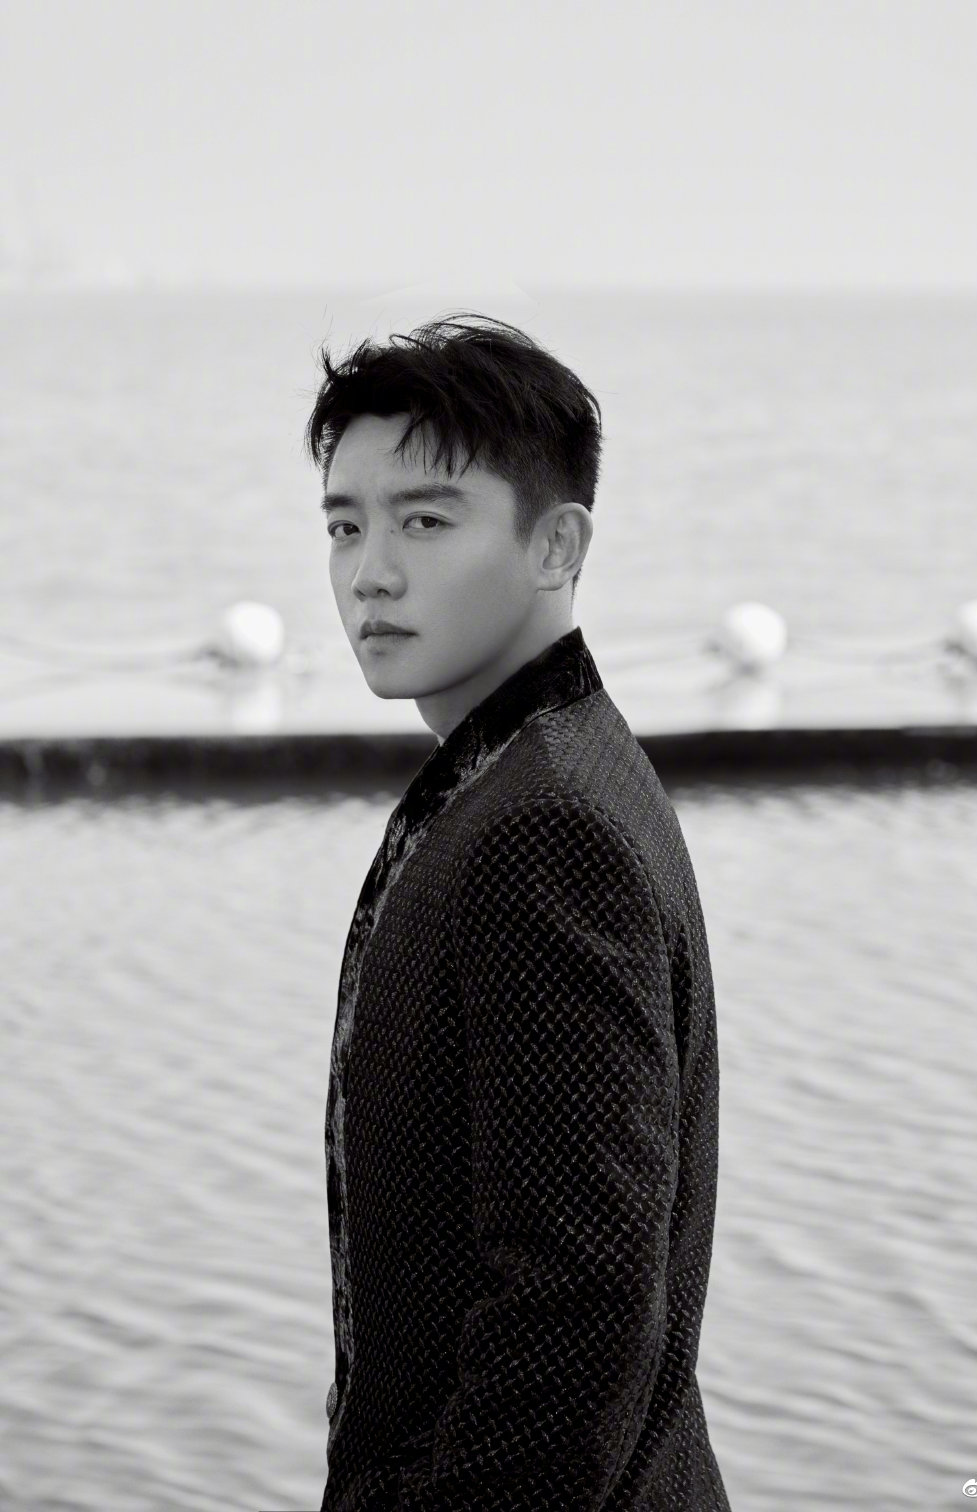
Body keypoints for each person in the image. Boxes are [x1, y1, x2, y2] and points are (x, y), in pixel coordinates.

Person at [306, 314, 732, 1511]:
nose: (370, 572)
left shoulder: (546, 828)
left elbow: (578, 1306)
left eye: (426, 521)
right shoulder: (534, 771)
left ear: (556, 544)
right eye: (344, 525)